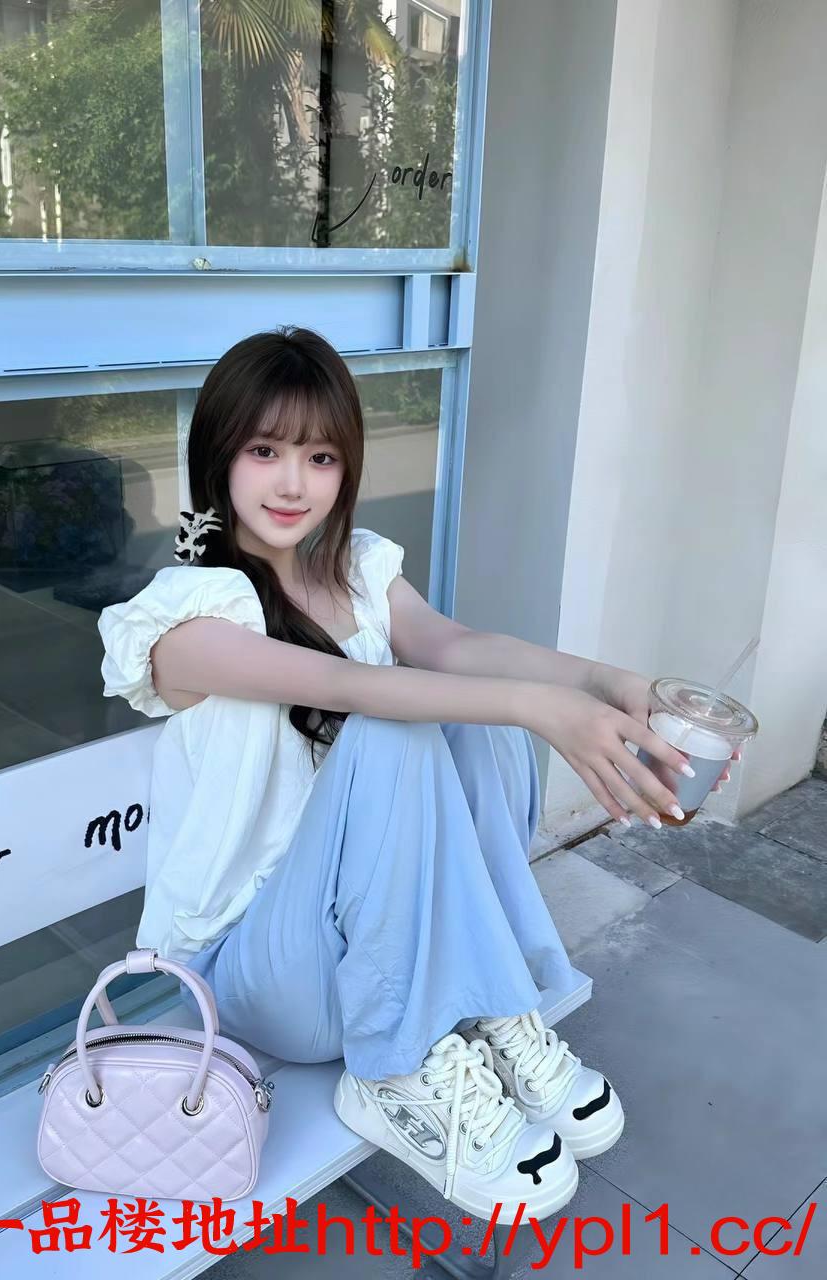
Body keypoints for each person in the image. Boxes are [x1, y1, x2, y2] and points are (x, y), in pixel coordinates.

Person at [97, 325, 737, 1223]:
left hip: (368, 945)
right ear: (219, 455)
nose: (292, 484)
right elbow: (348, 686)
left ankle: (494, 1004)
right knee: (400, 723)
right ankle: (393, 1072)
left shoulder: (357, 571)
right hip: (257, 975)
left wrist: (611, 685)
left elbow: (456, 646)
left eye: (320, 457)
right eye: (265, 451)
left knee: (472, 716)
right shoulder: (186, 618)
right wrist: (542, 710)